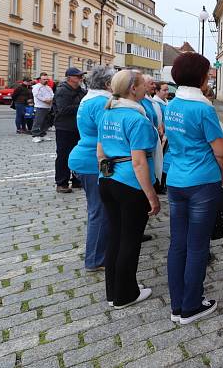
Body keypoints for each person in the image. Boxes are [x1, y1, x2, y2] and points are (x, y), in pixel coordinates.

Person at [163, 52, 223, 324]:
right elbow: (220, 150)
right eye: (208, 72)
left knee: (178, 244)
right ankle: (191, 306)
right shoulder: (203, 108)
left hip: (176, 180)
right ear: (200, 77)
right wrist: (221, 172)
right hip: (202, 182)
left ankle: (177, 304)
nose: (209, 76)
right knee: (197, 246)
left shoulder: (172, 105)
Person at [97, 69, 160, 309]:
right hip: (130, 184)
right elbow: (139, 162)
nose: (147, 87)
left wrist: (106, 177)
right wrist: (151, 196)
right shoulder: (137, 119)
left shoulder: (107, 114)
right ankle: (125, 294)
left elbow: (100, 151)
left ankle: (113, 291)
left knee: (114, 237)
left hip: (108, 179)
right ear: (133, 89)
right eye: (144, 84)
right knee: (130, 241)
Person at [69, 65, 114, 272]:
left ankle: (99, 253)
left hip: (84, 159)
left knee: (97, 209)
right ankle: (95, 259)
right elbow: (105, 140)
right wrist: (107, 174)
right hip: (92, 162)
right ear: (107, 84)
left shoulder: (90, 98)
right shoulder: (103, 102)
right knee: (99, 210)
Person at [53, 68, 86, 193]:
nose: (80, 78)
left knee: (77, 154)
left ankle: (77, 180)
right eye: (77, 76)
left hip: (77, 127)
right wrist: (82, 106)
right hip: (64, 127)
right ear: (69, 78)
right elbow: (63, 109)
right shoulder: (62, 91)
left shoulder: (81, 91)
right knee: (63, 155)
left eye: (81, 76)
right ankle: (62, 182)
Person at [152, 81, 169, 195]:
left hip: (167, 136)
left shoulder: (166, 103)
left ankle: (162, 183)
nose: (167, 92)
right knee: (161, 159)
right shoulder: (156, 103)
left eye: (168, 89)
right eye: (164, 90)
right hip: (162, 137)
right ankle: (159, 184)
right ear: (157, 91)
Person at [31, 72, 54, 142]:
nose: (46, 80)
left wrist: (51, 100)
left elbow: (52, 94)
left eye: (47, 79)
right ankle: (35, 135)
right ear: (40, 79)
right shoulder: (37, 87)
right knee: (38, 121)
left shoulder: (48, 87)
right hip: (40, 106)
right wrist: (45, 100)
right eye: (44, 79)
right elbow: (37, 95)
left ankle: (43, 134)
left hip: (48, 107)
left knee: (46, 122)